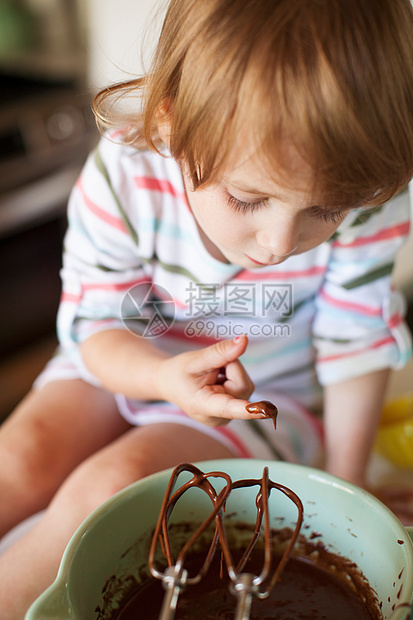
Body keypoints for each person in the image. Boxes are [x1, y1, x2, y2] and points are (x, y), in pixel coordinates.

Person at [1, 0, 413, 616]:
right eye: (248, 198)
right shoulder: (125, 172)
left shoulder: (372, 203)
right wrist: (163, 377)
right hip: (123, 360)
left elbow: (356, 342)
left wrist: (349, 486)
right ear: (170, 124)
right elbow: (94, 328)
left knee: (110, 485)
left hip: (266, 399)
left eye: (325, 212)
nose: (278, 245)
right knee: (20, 454)